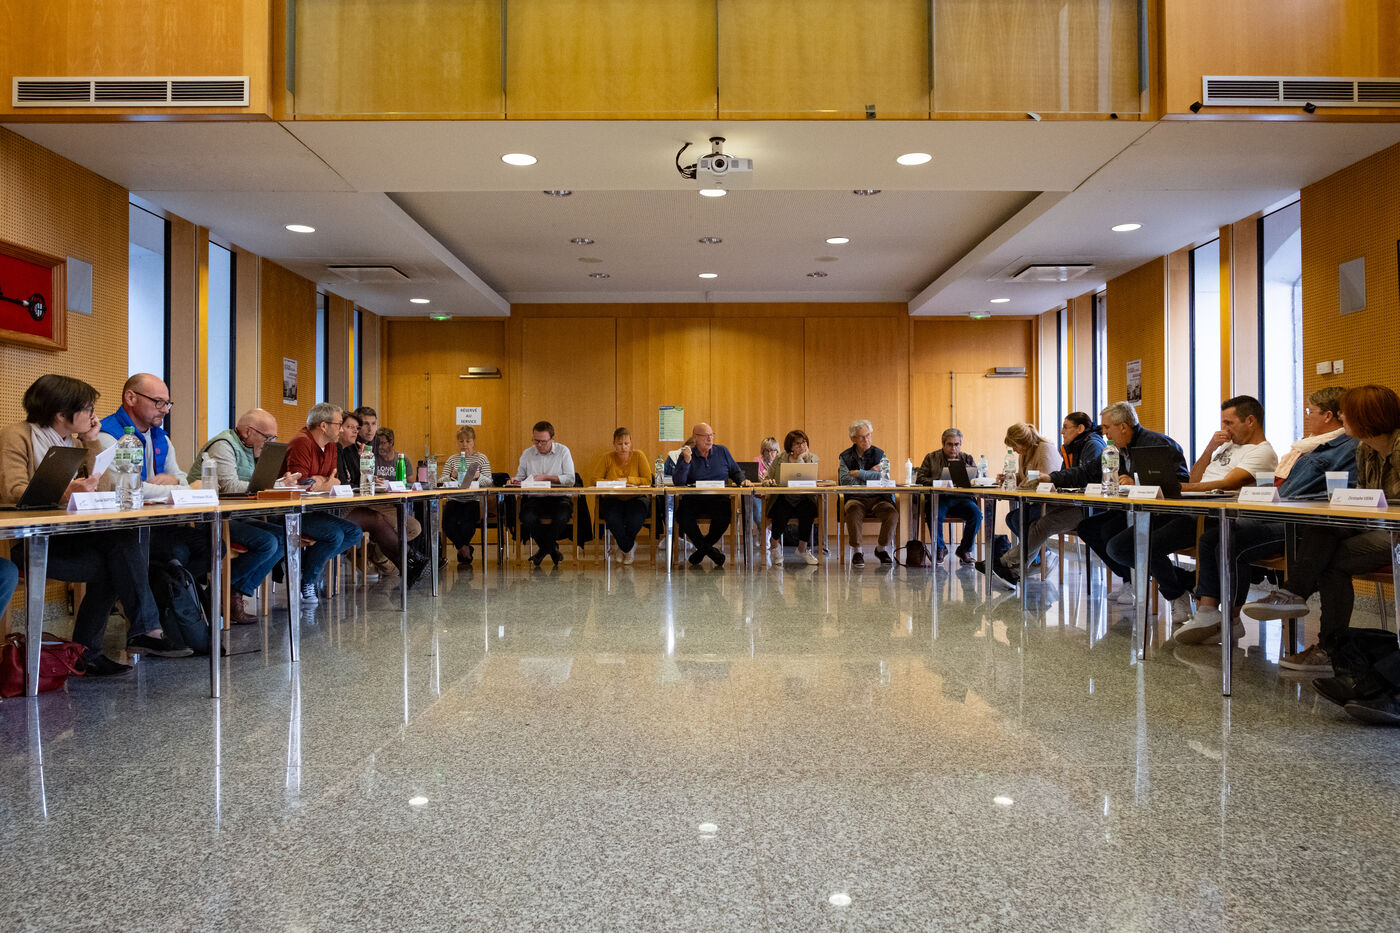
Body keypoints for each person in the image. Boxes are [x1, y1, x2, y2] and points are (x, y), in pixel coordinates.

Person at [0, 375, 188, 673]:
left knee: (124, 543)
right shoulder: (17, 436)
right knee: (120, 563)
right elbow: (12, 493)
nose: (93, 416)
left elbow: (109, 489)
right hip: (31, 544)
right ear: (61, 413)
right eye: (87, 409)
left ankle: (115, 641)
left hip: (69, 538)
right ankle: (105, 646)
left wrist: (91, 440)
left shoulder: (74, 441)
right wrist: (65, 492)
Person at [1241, 385, 1400, 683]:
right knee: (1322, 524)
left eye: (1346, 412)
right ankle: (1306, 612)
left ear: (1367, 416)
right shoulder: (1365, 449)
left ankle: (1325, 643)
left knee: (1330, 560)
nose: (1342, 417)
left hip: (1396, 533)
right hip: (1379, 526)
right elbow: (1364, 498)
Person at [1189, 388, 1356, 665]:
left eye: (1310, 411)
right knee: (1212, 537)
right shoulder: (1307, 447)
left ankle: (1233, 617)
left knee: (1231, 541)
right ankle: (1207, 612)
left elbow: (1296, 493)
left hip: (1301, 523)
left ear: (1329, 416)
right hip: (1286, 516)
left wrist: (1181, 488)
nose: (1306, 416)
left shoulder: (1343, 446)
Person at [1136, 395, 1276, 639]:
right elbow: (1195, 478)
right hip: (1199, 513)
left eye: (1229, 423)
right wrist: (1210, 448)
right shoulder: (1225, 447)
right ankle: (1197, 595)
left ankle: (1218, 612)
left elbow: (1228, 483)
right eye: (1223, 423)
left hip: (1230, 516)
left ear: (1251, 421)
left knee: (1216, 541)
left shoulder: (1262, 451)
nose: (1225, 429)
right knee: (1145, 543)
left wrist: (1178, 488)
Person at [1075, 402, 1189, 607]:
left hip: (1163, 514)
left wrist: (1137, 482)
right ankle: (1133, 579)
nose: (1104, 433)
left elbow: (1179, 483)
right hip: (1132, 510)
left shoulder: (1156, 444)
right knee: (1089, 528)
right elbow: (1086, 472)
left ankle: (1177, 587)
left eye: (1107, 427)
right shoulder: (1116, 450)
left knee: (1118, 545)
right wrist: (1051, 478)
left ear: (1123, 427)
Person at [97, 372, 210, 571]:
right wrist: (185, 490)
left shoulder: (161, 438)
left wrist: (176, 481)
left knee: (212, 547)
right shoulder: (108, 436)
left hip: (160, 522)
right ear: (131, 398)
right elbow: (125, 488)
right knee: (177, 552)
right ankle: (166, 587)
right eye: (158, 402)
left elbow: (181, 477)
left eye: (167, 404)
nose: (165, 410)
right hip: (122, 528)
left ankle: (177, 587)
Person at [186, 408, 287, 624]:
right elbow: (230, 486)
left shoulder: (253, 449)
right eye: (268, 437)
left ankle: (229, 590)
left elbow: (258, 484)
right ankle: (224, 591)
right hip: (208, 519)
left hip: (234, 516)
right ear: (248, 432)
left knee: (285, 537)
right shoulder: (223, 445)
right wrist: (275, 487)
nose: (270, 443)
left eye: (274, 438)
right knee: (268, 542)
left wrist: (281, 483)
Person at [980, 412, 1104, 585]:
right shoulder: (1071, 448)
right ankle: (1032, 560)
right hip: (1071, 502)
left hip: (1086, 506)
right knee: (1017, 518)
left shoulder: (1091, 446)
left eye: (1065, 427)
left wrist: (1052, 480)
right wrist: (1011, 478)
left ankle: (1008, 562)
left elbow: (1074, 477)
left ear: (1080, 428)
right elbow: (1061, 476)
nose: (1061, 431)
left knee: (1034, 522)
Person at [281, 403, 367, 603]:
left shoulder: (331, 446)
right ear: (323, 426)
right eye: (339, 424)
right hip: (292, 512)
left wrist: (320, 482)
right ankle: (308, 581)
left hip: (313, 510)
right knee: (334, 535)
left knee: (354, 533)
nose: (341, 429)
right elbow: (301, 484)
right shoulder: (301, 442)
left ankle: (306, 566)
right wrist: (321, 482)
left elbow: (334, 480)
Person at [671, 422, 752, 568]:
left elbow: (735, 471)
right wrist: (687, 462)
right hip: (694, 499)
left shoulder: (722, 451)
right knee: (682, 516)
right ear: (695, 438)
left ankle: (702, 551)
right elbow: (678, 483)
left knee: (724, 516)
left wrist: (742, 480)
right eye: (705, 436)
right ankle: (711, 552)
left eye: (711, 435)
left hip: (718, 499)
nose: (709, 439)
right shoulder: (687, 455)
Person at [510, 420, 576, 567]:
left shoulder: (563, 451)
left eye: (543, 442)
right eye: (536, 441)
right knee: (527, 517)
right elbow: (520, 477)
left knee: (562, 516)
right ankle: (552, 549)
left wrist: (546, 477)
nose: (539, 445)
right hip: (536, 498)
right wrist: (514, 480)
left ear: (552, 439)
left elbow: (571, 479)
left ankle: (543, 551)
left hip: (558, 497)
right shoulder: (527, 453)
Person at [998, 422, 1063, 570]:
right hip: (1037, 501)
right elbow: (1025, 478)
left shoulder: (1045, 449)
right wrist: (1009, 478)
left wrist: (1021, 484)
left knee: (1018, 518)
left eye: (1015, 446)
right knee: (1011, 518)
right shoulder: (1025, 453)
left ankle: (1041, 555)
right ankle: (1042, 554)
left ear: (1023, 441)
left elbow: (1045, 480)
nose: (1014, 450)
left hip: (1054, 503)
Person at [914, 428, 981, 564]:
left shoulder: (967, 458)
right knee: (934, 513)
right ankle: (940, 548)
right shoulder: (931, 458)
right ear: (943, 444)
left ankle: (964, 549)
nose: (953, 448)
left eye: (956, 444)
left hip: (962, 499)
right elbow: (920, 479)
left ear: (960, 444)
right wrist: (940, 481)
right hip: (940, 498)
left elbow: (976, 480)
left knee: (976, 514)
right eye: (949, 444)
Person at [837, 419, 896, 566]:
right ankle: (857, 551)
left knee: (892, 513)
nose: (867, 439)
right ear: (853, 439)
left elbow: (885, 478)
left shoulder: (881, 454)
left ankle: (881, 549)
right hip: (855, 497)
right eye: (862, 437)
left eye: (869, 435)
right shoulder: (844, 456)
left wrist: (859, 473)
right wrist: (871, 472)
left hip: (878, 497)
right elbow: (845, 480)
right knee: (852, 510)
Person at [761, 429, 821, 566]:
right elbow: (768, 477)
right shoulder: (780, 458)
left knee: (809, 510)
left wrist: (800, 460)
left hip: (803, 498)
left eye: (804, 442)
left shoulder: (813, 458)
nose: (801, 446)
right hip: (784, 497)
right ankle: (774, 544)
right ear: (790, 446)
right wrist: (768, 481)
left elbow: (811, 480)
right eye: (797, 444)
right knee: (780, 511)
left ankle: (802, 549)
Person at [594, 427, 653, 563]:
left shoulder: (638, 456)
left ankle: (622, 547)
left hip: (636, 498)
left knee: (635, 517)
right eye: (619, 444)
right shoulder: (607, 458)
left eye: (626, 443)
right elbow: (595, 480)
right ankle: (628, 546)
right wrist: (614, 482)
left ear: (631, 443)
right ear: (614, 444)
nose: (623, 447)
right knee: (611, 516)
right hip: (613, 498)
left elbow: (648, 480)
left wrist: (628, 480)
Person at [439, 425, 494, 565]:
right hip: (454, 499)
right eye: (461, 441)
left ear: (473, 442)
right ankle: (465, 549)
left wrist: (478, 476)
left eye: (468, 441)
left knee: (467, 523)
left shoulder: (481, 458)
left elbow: (489, 482)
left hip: (473, 500)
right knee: (447, 523)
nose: (464, 445)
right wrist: (452, 476)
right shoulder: (452, 459)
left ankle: (462, 549)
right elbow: (440, 482)